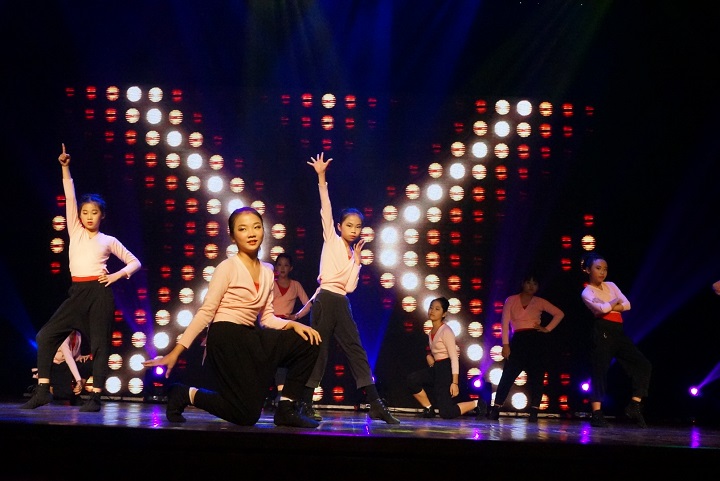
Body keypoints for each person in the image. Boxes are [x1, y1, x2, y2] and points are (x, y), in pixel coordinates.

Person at [142, 207, 323, 428]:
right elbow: (206, 312)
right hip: (226, 337)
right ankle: (186, 394)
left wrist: (293, 325)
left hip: (251, 336)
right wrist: (176, 352)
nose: (251, 233)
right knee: (247, 416)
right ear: (232, 236)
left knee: (309, 342)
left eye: (256, 227)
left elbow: (266, 318)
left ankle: (286, 409)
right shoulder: (227, 268)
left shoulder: (268, 271)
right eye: (243, 229)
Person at [21, 143, 142, 412]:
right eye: (85, 212)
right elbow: (70, 197)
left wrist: (116, 276)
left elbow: (135, 262)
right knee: (45, 335)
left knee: (99, 345)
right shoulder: (75, 231)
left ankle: (95, 396)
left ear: (102, 216)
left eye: (94, 212)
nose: (88, 216)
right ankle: (43, 389)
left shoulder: (108, 240)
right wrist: (65, 168)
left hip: (99, 294)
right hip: (77, 292)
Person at [300, 152, 400, 424]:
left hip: (341, 301)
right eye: (350, 225)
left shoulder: (353, 254)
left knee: (356, 348)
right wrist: (321, 176)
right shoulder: (331, 240)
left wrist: (357, 262)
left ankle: (375, 403)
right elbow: (326, 207)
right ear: (339, 226)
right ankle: (305, 402)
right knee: (319, 351)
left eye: (358, 227)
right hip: (325, 299)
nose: (354, 230)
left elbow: (351, 287)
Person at [580, 252, 651, 428]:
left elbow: (627, 305)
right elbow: (603, 310)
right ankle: (596, 414)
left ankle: (634, 404)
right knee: (600, 370)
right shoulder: (587, 291)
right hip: (602, 330)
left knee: (643, 364)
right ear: (588, 270)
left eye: (605, 269)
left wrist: (609, 304)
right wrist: (614, 302)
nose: (602, 272)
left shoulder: (611, 285)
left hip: (618, 330)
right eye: (598, 268)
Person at [486, 274, 565, 423]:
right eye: (528, 282)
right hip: (518, 340)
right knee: (508, 375)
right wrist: (505, 344)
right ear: (523, 283)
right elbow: (504, 322)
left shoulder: (539, 301)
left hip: (536, 340)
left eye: (534, 283)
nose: (531, 286)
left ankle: (534, 411)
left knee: (537, 376)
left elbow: (559, 314)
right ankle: (496, 408)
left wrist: (547, 329)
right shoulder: (511, 300)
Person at [407, 297, 484, 419]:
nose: (432, 311)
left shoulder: (446, 331)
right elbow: (437, 351)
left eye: (437, 309)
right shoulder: (431, 331)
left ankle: (477, 404)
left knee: (446, 413)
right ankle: (429, 408)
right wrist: (430, 357)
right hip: (437, 367)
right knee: (412, 379)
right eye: (431, 308)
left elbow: (454, 358)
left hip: (446, 369)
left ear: (444, 314)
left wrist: (454, 382)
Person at [270, 252, 313, 407]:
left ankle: (283, 394)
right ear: (275, 267)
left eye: (286, 265)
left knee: (284, 360)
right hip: (271, 325)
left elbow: (308, 304)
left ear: (291, 268)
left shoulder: (295, 285)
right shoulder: (270, 284)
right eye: (279, 265)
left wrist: (296, 316)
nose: (282, 268)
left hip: (287, 326)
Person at [29, 330, 93, 405]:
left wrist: (81, 357)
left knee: (87, 364)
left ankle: (77, 393)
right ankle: (46, 390)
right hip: (56, 366)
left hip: (67, 365)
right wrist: (78, 380)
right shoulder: (64, 337)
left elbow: (75, 355)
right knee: (64, 393)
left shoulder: (78, 335)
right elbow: (69, 359)